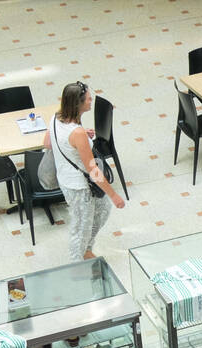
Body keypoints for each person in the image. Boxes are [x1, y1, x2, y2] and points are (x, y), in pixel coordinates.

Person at [44, 81, 125, 262]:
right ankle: (77, 263)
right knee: (80, 228)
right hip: (79, 187)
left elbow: (47, 143)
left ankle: (86, 249)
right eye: (88, 99)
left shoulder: (56, 118)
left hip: (66, 178)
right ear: (78, 104)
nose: (91, 101)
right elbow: (93, 170)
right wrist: (114, 195)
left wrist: (79, 142)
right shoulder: (77, 133)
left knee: (102, 210)